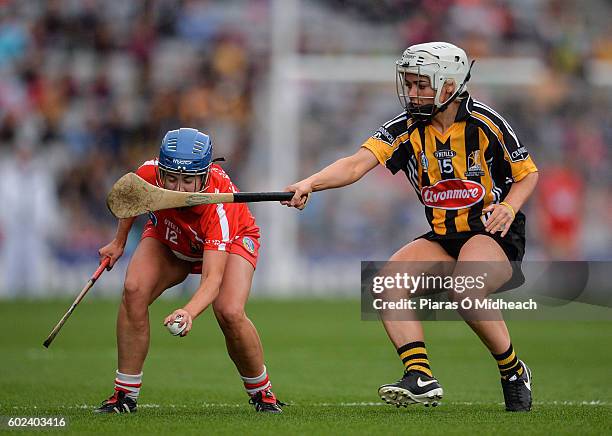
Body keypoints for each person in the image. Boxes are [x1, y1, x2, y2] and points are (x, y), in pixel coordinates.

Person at [284, 42, 539, 412]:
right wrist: (309, 183)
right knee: (384, 284)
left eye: (421, 84)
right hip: (443, 237)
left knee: (465, 290)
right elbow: (356, 164)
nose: (412, 92)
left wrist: (510, 205)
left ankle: (513, 371)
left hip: (492, 234)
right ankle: (419, 376)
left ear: (448, 86)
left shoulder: (486, 123)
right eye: (410, 83)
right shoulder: (404, 128)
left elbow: (527, 174)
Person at [95, 128, 284, 413]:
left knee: (229, 311)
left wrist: (189, 311)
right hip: (172, 236)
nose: (177, 189)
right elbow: (130, 198)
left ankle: (262, 392)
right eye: (170, 178)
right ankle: (125, 395)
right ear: (161, 172)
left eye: (187, 181)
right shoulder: (147, 173)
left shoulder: (219, 206)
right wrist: (118, 242)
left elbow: (213, 279)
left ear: (205, 176)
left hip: (231, 240)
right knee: (133, 289)